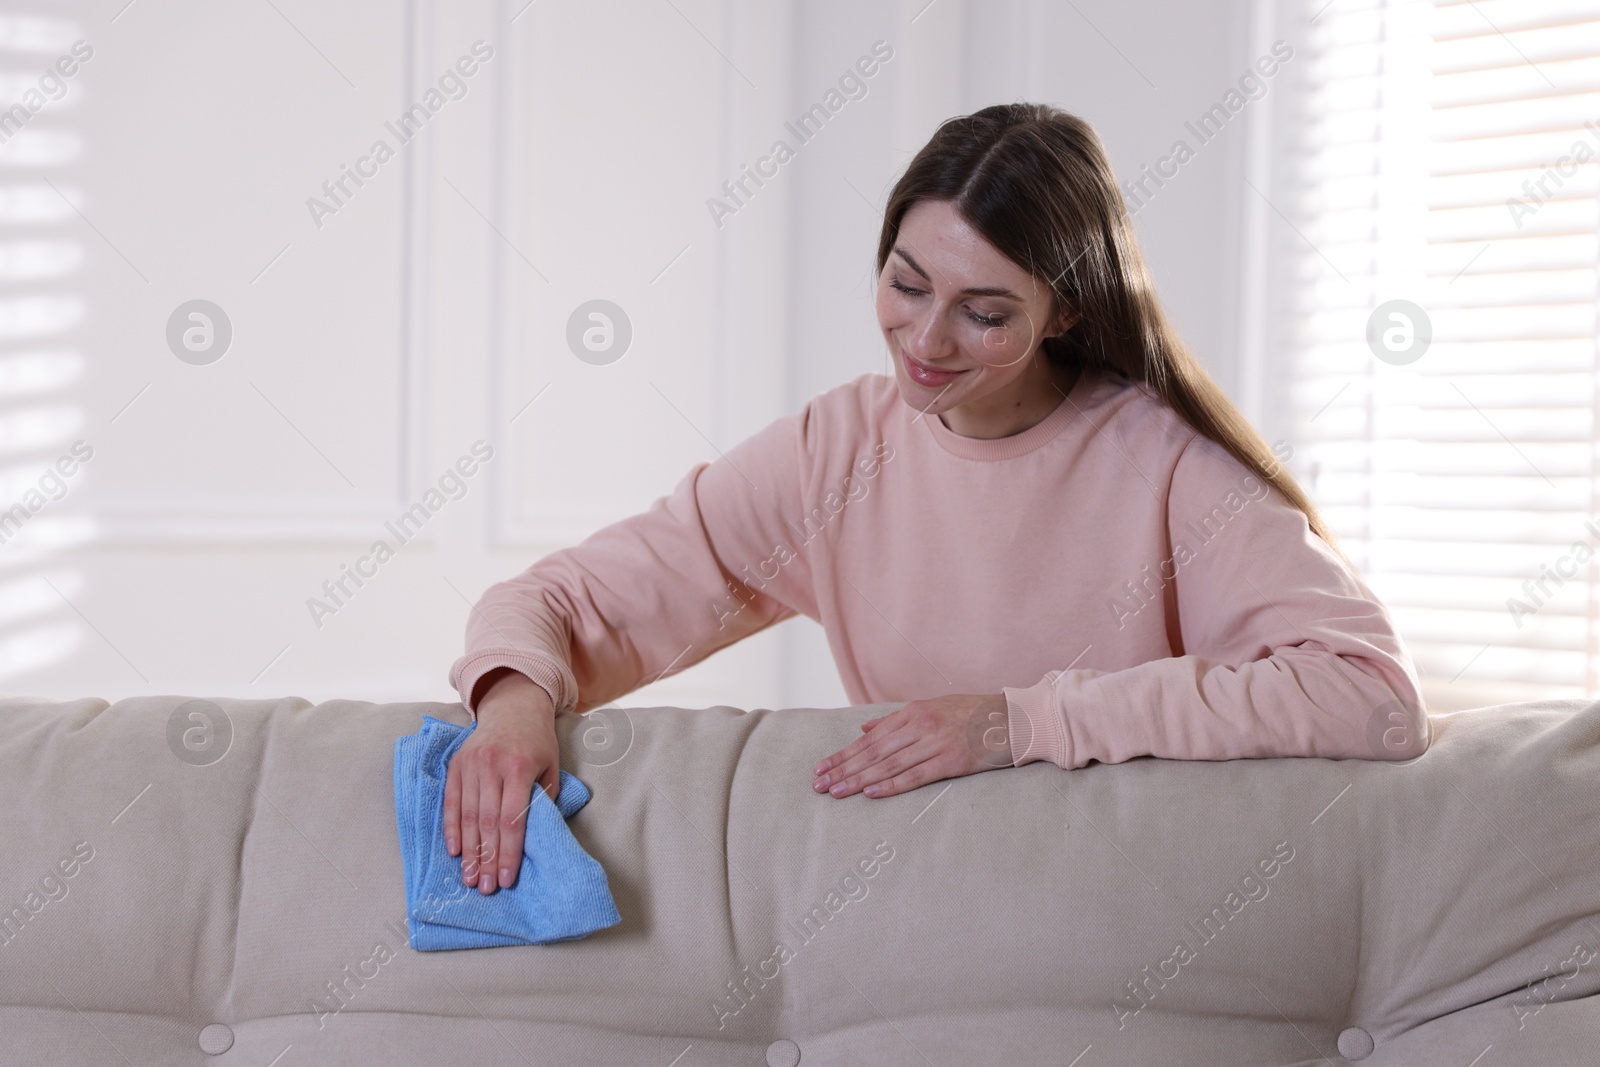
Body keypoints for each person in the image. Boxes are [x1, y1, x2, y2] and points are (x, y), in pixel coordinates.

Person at [442, 103, 1428, 895]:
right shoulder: (835, 451)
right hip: (918, 898)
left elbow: (1367, 694)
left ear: (1065, 311)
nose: (926, 340)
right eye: (906, 284)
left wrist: (1017, 722)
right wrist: (511, 701)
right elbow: (562, 602)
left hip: (1129, 906)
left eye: (985, 312)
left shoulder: (1164, 464)